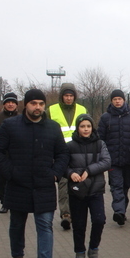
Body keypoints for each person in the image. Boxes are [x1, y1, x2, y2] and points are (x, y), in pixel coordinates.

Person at [0, 89, 69, 258]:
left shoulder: (52, 127)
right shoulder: (10, 126)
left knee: (45, 225)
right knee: (17, 224)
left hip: (44, 184)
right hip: (19, 185)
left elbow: (62, 154)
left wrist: (55, 173)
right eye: (34, 103)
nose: (38, 107)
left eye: (41, 104)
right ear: (26, 104)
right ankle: (18, 256)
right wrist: (11, 173)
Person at [66, 114, 111, 258]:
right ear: (78, 128)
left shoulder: (100, 144)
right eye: (82, 126)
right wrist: (70, 173)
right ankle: (79, 253)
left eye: (88, 126)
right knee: (79, 225)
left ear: (92, 128)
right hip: (77, 191)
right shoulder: (70, 146)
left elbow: (106, 161)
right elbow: (63, 165)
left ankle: (93, 249)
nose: (85, 129)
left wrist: (89, 171)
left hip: (95, 189)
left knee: (99, 220)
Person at [97, 89, 130, 226]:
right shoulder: (105, 118)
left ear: (124, 100)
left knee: (125, 186)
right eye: (115, 99)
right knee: (116, 185)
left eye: (119, 99)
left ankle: (122, 209)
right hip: (113, 160)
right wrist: (102, 154)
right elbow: (99, 138)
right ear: (111, 101)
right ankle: (119, 211)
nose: (117, 101)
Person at [47, 83, 88, 230]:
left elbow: (87, 129)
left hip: (78, 152)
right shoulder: (52, 110)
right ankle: (65, 214)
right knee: (63, 183)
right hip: (60, 153)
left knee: (78, 183)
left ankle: (76, 212)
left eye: (71, 95)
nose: (69, 98)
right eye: (66, 95)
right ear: (61, 96)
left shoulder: (82, 109)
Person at [0, 92, 19, 213]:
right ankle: (4, 203)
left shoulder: (22, 117)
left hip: (18, 153)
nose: (10, 104)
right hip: (2, 153)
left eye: (13, 102)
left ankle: (17, 201)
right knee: (1, 179)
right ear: (4, 104)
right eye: (8, 102)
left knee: (17, 178)